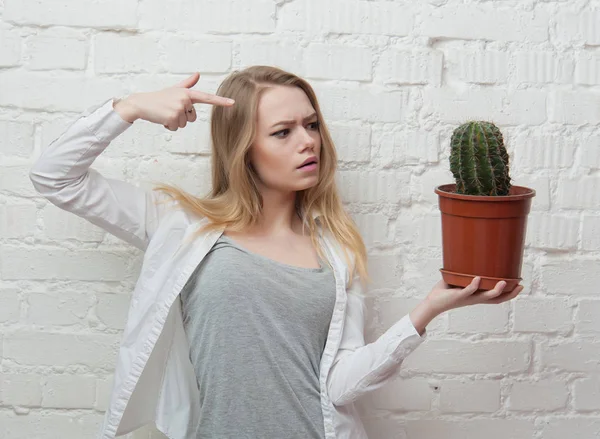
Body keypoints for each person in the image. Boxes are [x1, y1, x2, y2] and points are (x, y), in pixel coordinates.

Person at [29, 66, 523, 439]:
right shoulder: (181, 227)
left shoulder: (337, 250)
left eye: (311, 125)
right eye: (283, 132)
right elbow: (54, 176)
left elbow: (338, 387)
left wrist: (425, 312)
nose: (308, 142)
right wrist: (131, 107)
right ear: (244, 148)